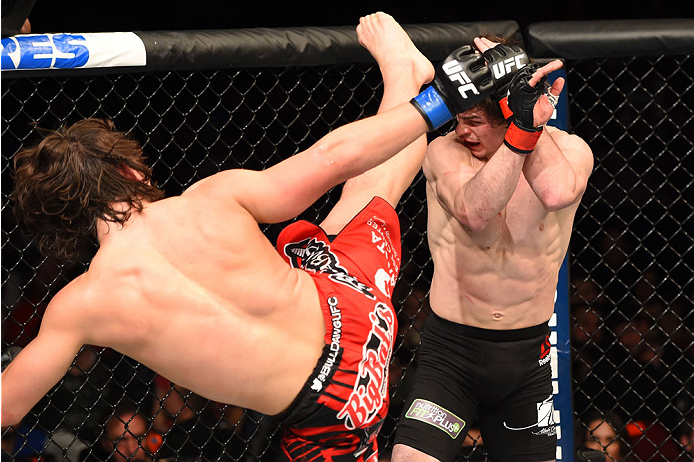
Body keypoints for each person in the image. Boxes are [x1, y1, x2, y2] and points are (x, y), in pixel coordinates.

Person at [0, 11, 536, 462]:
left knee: (334, 231)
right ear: (132, 173)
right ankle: (405, 81)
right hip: (357, 313)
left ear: (65, 226)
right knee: (343, 220)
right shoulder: (212, 198)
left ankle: (405, 78)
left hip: (339, 409)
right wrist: (441, 99)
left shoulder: (81, 305)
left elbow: (6, 408)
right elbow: (333, 157)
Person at [391, 37, 594, 462]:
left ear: (505, 113)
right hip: (451, 355)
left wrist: (523, 115)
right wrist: (517, 131)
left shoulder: (571, 151)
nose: (462, 131)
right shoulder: (444, 152)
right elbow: (474, 212)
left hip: (527, 362)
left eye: (475, 122)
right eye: (459, 119)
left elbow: (555, 192)